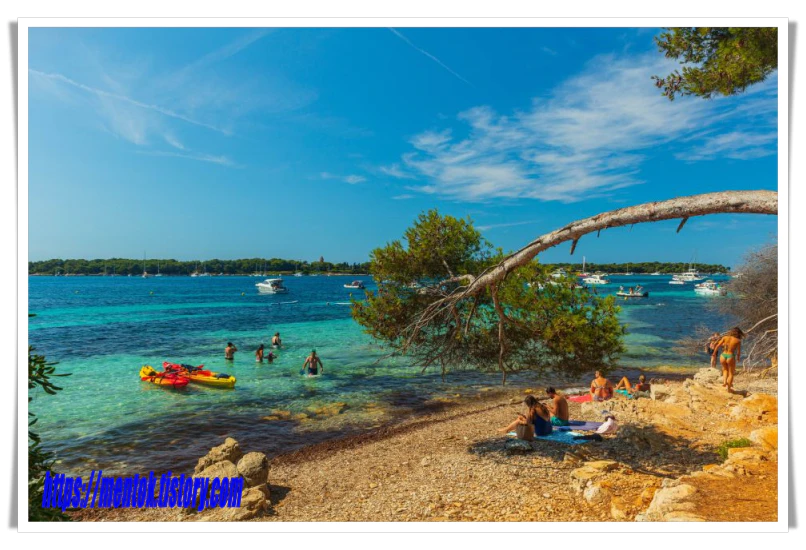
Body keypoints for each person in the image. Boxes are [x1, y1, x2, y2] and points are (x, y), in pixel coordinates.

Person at [712, 327, 745, 393]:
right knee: (731, 373)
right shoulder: (738, 340)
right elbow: (738, 352)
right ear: (738, 333)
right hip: (730, 356)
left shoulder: (725, 337)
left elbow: (718, 346)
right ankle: (729, 389)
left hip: (723, 355)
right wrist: (738, 358)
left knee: (724, 369)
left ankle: (724, 382)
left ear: (731, 331)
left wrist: (714, 353)